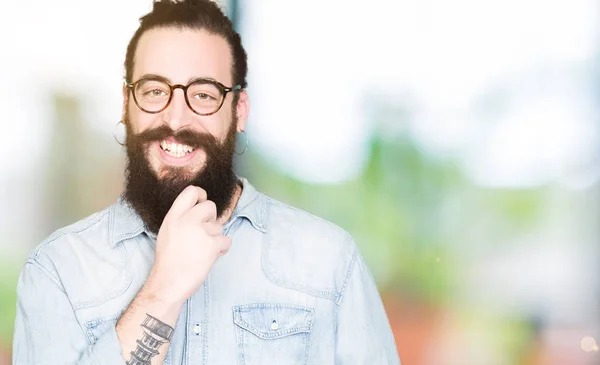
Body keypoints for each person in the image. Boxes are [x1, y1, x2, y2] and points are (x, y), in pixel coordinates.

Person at [12, 1, 400, 364]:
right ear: (125, 105)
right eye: (154, 91)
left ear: (239, 111)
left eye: (203, 94)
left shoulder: (329, 263)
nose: (176, 119)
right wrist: (162, 289)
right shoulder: (56, 271)